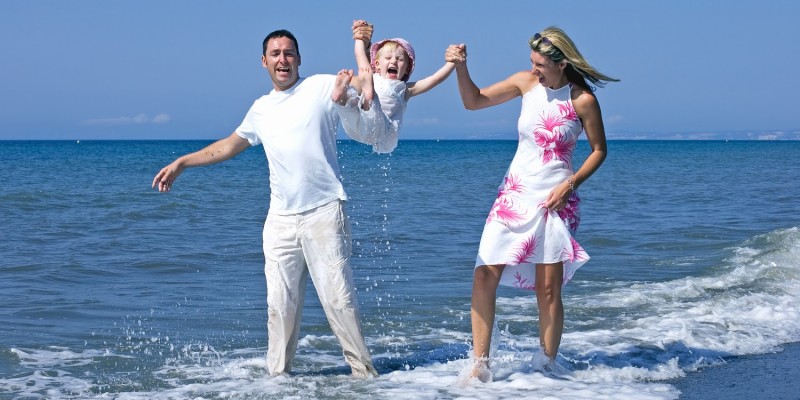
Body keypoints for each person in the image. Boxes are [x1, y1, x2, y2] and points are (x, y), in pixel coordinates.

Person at [151, 29, 379, 378]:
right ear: (264, 61)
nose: (282, 59)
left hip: (324, 212)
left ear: (299, 59)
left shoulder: (320, 86)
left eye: (289, 53)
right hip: (280, 221)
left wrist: (363, 46)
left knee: (339, 302)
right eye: (275, 54)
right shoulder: (261, 109)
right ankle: (278, 381)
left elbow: (365, 89)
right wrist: (183, 162)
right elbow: (228, 146)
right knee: (279, 307)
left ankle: (365, 379)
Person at [447, 26, 618, 381]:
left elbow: (599, 150)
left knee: (548, 287)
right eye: (532, 62)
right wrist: (461, 68)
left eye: (540, 64)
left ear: (562, 63)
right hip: (513, 195)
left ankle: (546, 368)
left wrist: (570, 184)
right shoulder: (525, 83)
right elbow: (473, 101)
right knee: (484, 274)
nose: (534, 69)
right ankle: (479, 365)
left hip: (556, 201)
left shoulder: (582, 99)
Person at [331, 20, 455, 153]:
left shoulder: (404, 89)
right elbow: (361, 56)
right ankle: (344, 98)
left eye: (400, 59)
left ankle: (352, 99)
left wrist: (452, 62)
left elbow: (435, 79)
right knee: (351, 106)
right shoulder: (374, 78)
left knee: (358, 103)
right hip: (362, 127)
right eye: (388, 57)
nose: (394, 61)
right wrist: (360, 37)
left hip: (374, 130)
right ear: (377, 64)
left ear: (407, 69)